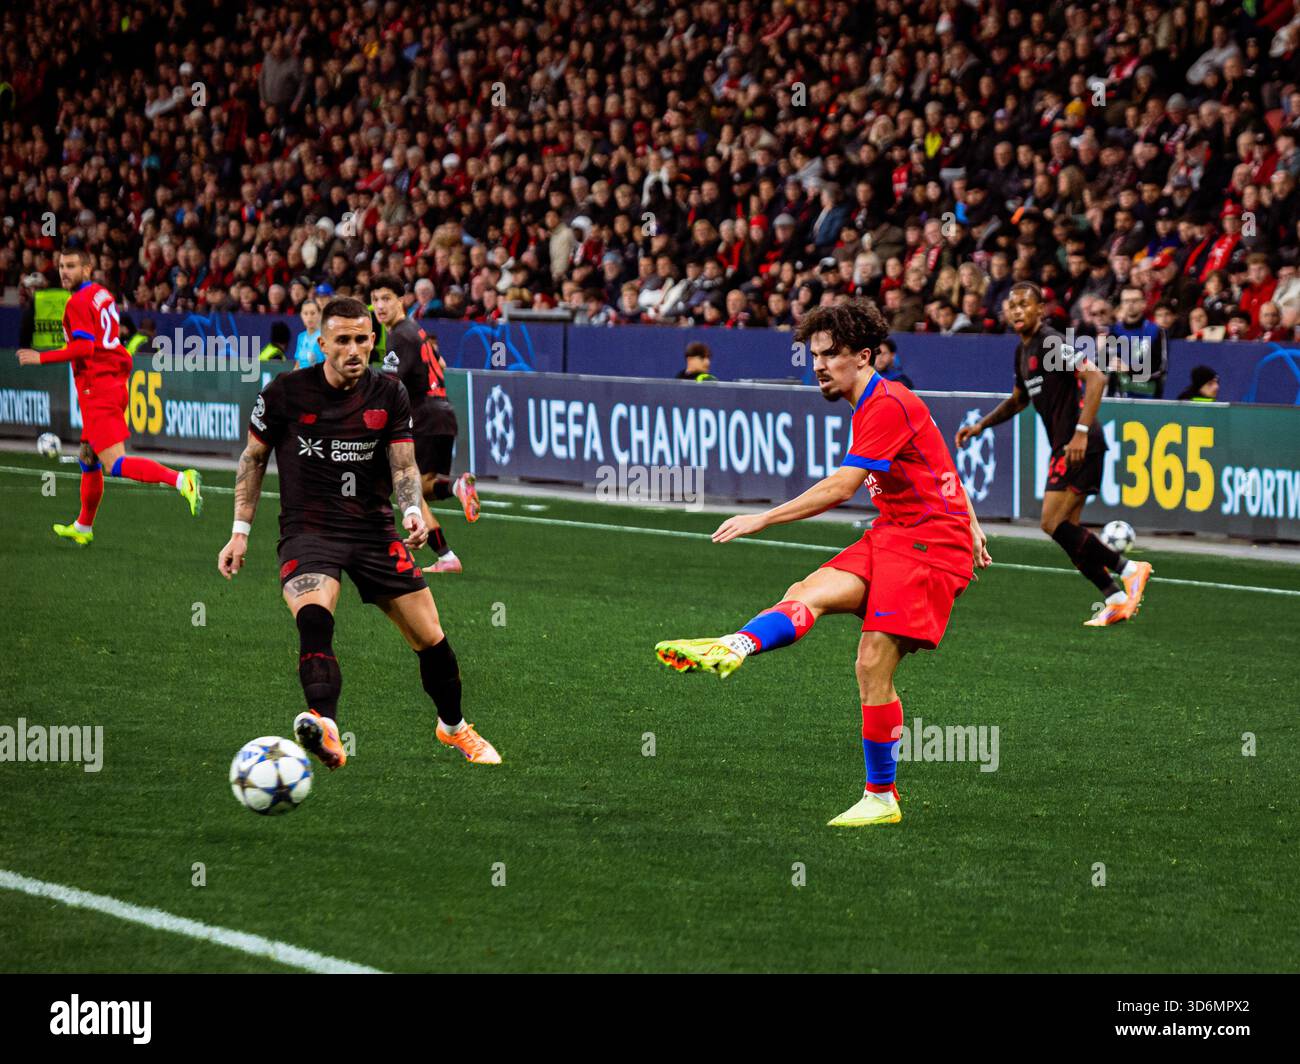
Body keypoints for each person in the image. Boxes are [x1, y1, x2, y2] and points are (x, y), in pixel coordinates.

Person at [655, 300, 991, 828]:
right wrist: (972, 519)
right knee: (806, 588)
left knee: (871, 662)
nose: (817, 365)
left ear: (863, 356)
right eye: (813, 355)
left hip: (929, 546)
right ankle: (736, 644)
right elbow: (940, 458)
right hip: (896, 533)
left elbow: (842, 487)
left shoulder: (885, 404)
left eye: (830, 355)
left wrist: (763, 519)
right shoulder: (880, 402)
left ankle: (881, 797)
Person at [217, 297, 501, 767]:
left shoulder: (389, 395)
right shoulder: (284, 393)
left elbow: (405, 467)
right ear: (321, 342)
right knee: (313, 616)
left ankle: (454, 728)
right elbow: (252, 459)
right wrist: (239, 530)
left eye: (362, 339)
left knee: (431, 639)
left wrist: (412, 511)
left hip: (372, 530)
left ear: (374, 340)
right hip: (308, 532)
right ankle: (325, 721)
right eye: (343, 340)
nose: (354, 349)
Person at [955, 282, 1151, 627]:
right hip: (1068, 444)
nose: (1016, 310)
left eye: (1024, 304)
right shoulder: (1023, 350)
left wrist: (1080, 432)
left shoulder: (1049, 341)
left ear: (1039, 310)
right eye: (1011, 305)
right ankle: (1116, 597)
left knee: (1051, 523)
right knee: (1068, 529)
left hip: (1079, 444)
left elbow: (1096, 378)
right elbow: (1019, 399)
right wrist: (981, 426)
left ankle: (1130, 570)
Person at [16, 247, 202, 545]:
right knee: (88, 457)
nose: (65, 271)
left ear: (87, 269)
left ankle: (182, 480)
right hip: (112, 380)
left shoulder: (76, 303)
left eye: (72, 266)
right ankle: (84, 526)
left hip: (97, 388)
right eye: (62, 266)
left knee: (115, 463)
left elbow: (84, 349)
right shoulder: (102, 294)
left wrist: (42, 358)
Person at [369, 275, 479, 574]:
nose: (380, 306)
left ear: (401, 300)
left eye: (386, 299)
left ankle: (446, 556)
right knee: (425, 486)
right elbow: (440, 365)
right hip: (443, 414)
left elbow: (391, 385)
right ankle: (457, 485)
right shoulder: (416, 331)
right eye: (375, 299)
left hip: (423, 417)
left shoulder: (398, 335)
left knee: (407, 487)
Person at [293, 298, 323, 368]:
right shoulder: (301, 337)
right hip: (301, 377)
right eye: (305, 313)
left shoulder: (324, 336)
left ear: (319, 314)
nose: (309, 317)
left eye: (313, 313)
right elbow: (298, 365)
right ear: (301, 315)